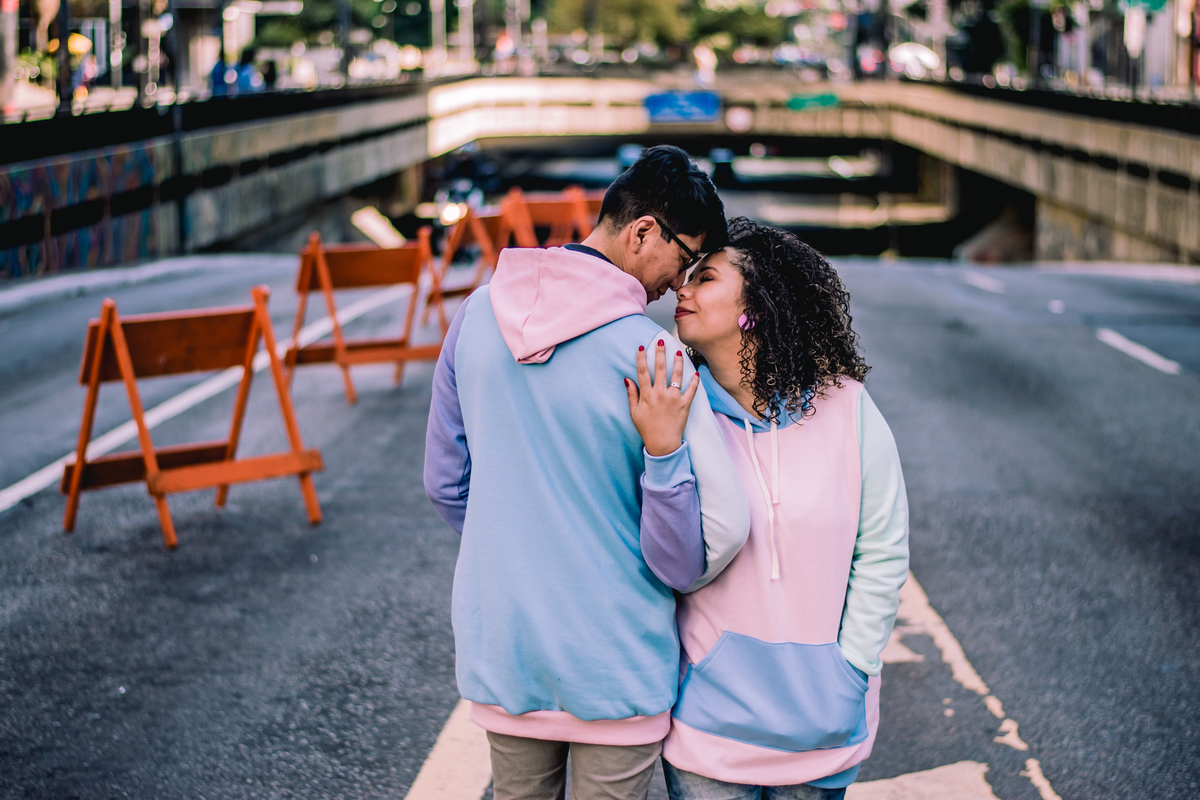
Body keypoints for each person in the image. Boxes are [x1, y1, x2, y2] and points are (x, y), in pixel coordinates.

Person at [423, 146, 750, 800]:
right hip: (614, 660)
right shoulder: (656, 360)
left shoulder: (476, 316)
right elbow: (691, 554)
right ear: (643, 233)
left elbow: (445, 482)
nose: (680, 285)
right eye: (685, 261)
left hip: (504, 643)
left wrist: (514, 546)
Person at [628, 218, 910, 799]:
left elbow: (881, 550)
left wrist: (850, 668)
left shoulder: (848, 409)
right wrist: (662, 449)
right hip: (709, 732)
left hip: (821, 727)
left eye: (704, 278)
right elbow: (662, 553)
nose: (682, 290)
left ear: (753, 310)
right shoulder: (675, 408)